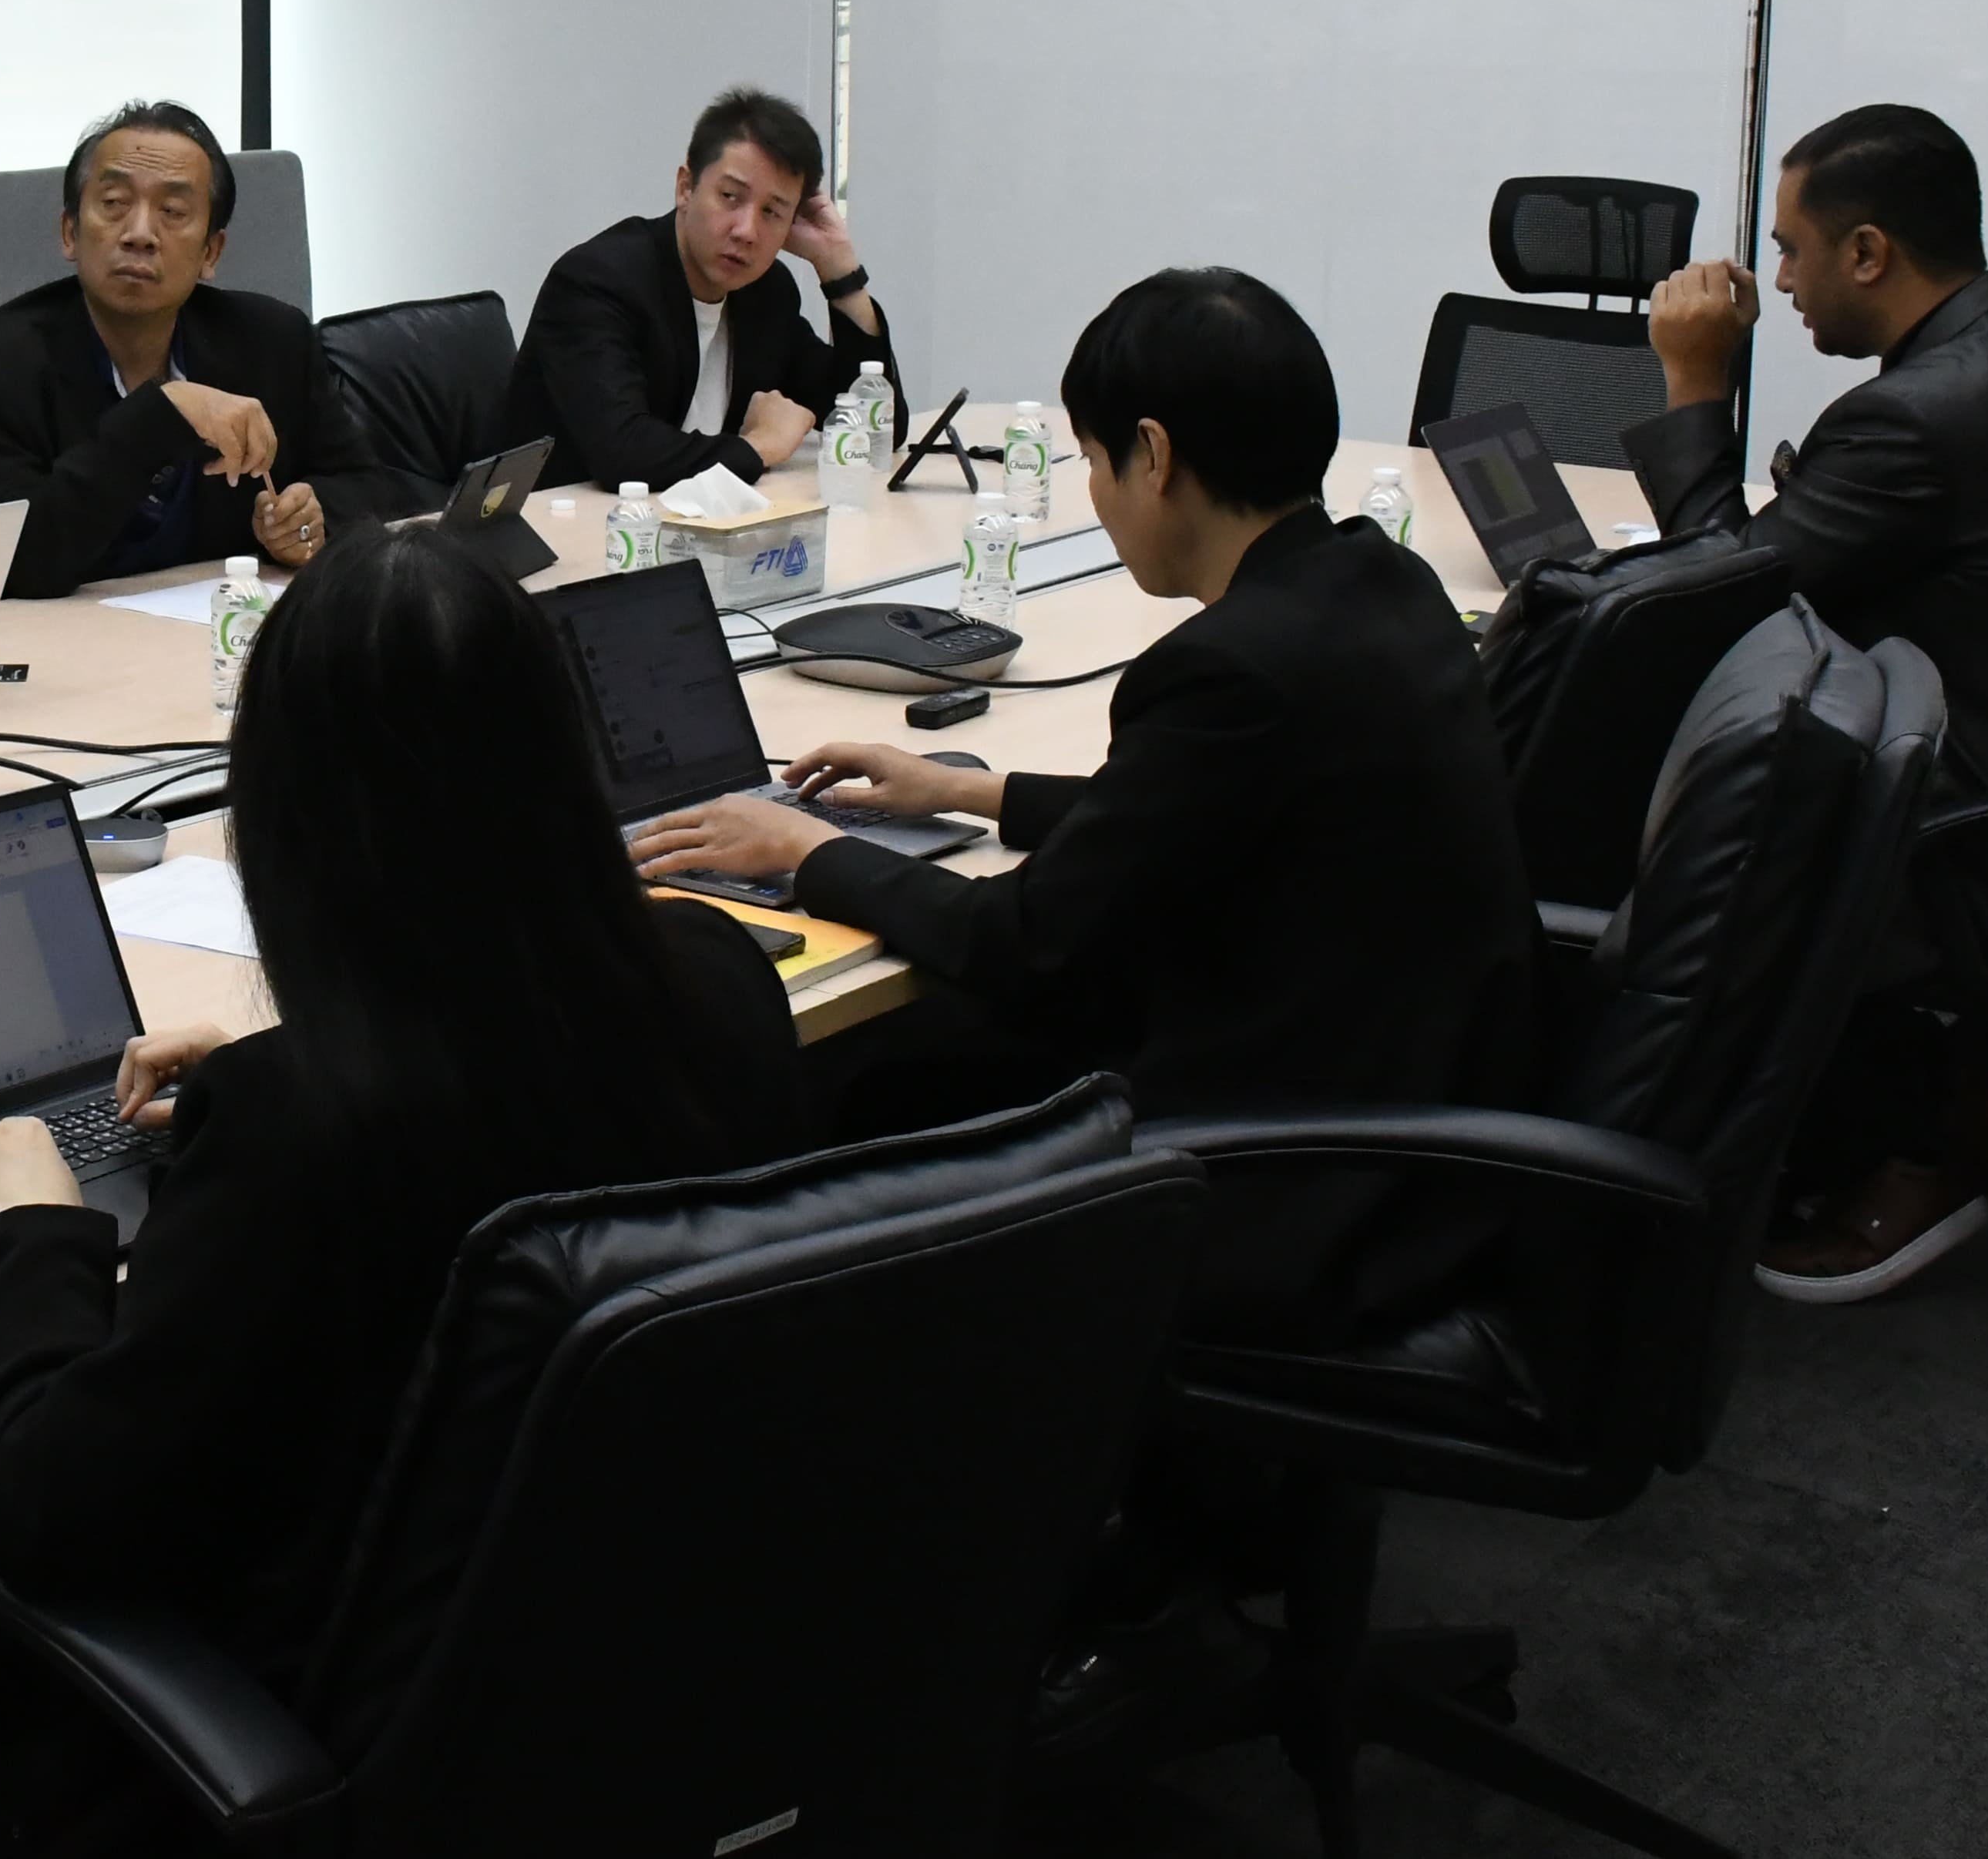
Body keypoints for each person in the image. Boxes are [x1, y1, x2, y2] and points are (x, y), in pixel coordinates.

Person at [0, 527, 811, 1709]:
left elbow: (54, 1514)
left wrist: (33, 1230)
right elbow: (512, 1066)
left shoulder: (294, 1131)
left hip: (368, 1717)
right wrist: (286, 1066)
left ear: (285, 812)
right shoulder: (720, 974)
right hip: (666, 1646)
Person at [631, 267, 1533, 1346]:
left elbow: (1028, 945)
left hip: (1290, 1186)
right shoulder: (1382, 585)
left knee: (866, 1081)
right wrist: (971, 791)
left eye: (1096, 462)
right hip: (1415, 1119)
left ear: (1154, 455)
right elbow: (1203, 814)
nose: (1097, 498)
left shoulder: (1230, 669)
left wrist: (807, 847)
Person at [1630, 102, 1988, 1301]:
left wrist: (1693, 383)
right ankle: (1976, 1068)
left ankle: (1912, 1138)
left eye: (1793, 250)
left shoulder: (1913, 416)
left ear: (1870, 252)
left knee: (1697, 822)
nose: (1782, 281)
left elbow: (1717, 601)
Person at [0, 101, 388, 597]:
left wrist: (309, 522)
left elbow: (365, 488)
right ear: (70, 233)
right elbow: (13, 562)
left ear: (210, 252)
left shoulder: (272, 340)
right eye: (114, 203)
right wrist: (163, 412)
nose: (140, 234)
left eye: (172, 212)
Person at [502, 88, 897, 494]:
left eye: (772, 212)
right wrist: (760, 446)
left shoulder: (766, 292)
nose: (746, 231)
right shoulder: (597, 282)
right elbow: (622, 454)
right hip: (567, 524)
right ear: (686, 188)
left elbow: (877, 427)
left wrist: (839, 269)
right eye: (730, 197)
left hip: (690, 522)